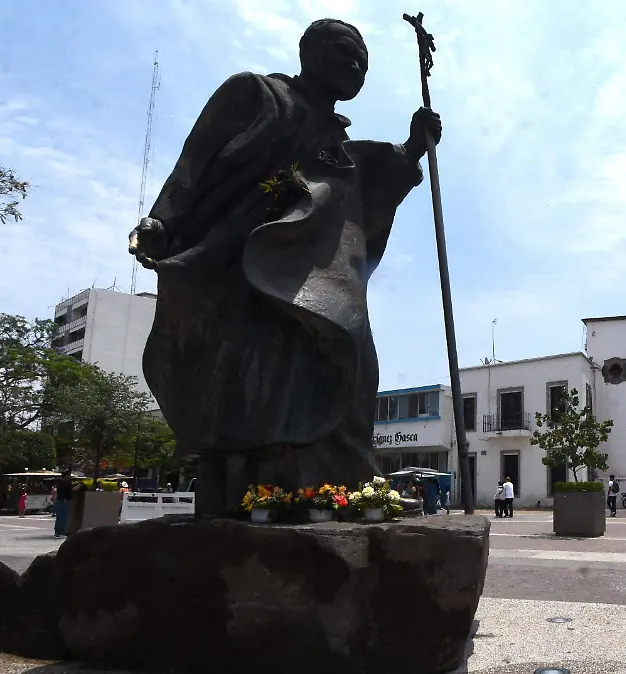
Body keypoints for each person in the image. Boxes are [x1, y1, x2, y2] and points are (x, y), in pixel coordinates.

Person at [126, 18, 443, 517]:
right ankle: (255, 488)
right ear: (309, 53)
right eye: (345, 51)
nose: (356, 66)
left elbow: (361, 193)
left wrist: (409, 151)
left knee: (353, 354)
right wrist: (162, 220)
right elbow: (194, 162)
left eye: (364, 61)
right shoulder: (257, 95)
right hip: (241, 261)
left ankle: (335, 487)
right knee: (247, 377)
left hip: (311, 273)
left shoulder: (338, 143)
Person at [53, 470, 74, 538]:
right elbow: (70, 491)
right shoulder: (65, 482)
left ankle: (58, 532)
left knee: (60, 517)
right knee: (63, 517)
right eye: (69, 475)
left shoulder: (60, 482)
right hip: (64, 500)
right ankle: (60, 532)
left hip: (61, 500)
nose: (70, 477)